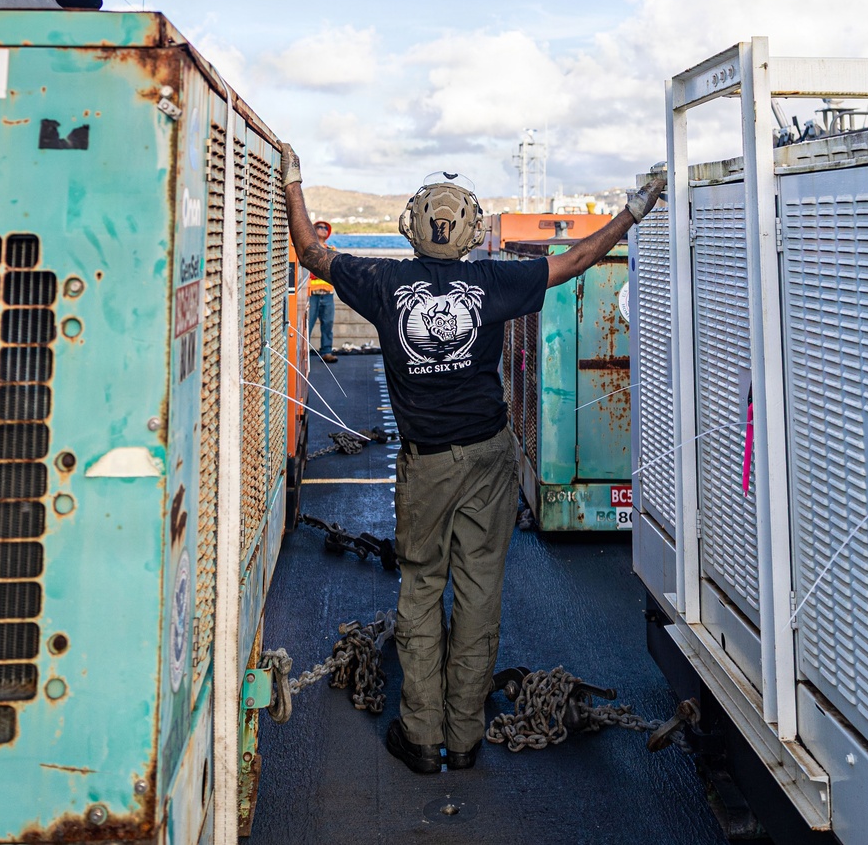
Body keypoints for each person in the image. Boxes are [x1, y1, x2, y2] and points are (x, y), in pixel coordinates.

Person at [281, 147, 666, 775]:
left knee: (422, 588)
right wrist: (632, 211)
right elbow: (577, 260)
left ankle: (420, 735)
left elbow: (311, 252)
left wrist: (294, 182)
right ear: (468, 229)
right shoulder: (494, 282)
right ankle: (465, 740)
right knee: (480, 592)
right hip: (489, 457)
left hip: (426, 465)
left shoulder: (384, 283)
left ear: (412, 226)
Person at [307, 219, 338, 363]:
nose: (323, 229)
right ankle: (302, 352)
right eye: (320, 227)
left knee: (328, 324)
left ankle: (326, 351)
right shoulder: (309, 250)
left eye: (326, 228)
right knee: (308, 324)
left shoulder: (331, 250)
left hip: (327, 294)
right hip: (312, 294)